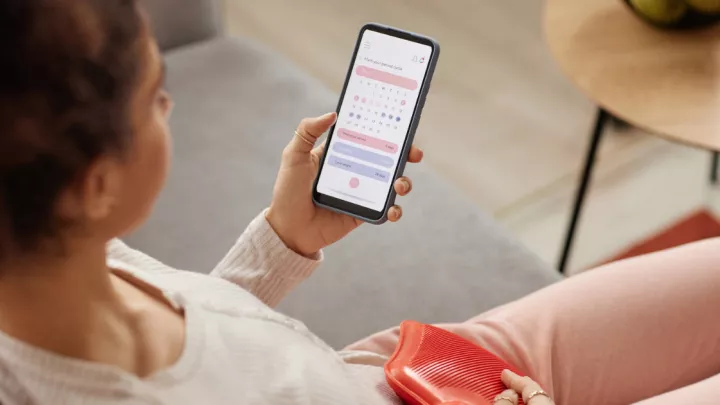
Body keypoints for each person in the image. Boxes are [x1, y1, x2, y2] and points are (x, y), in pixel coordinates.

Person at [2, 1, 719, 405]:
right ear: (94, 185)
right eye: (153, 98)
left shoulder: (71, 255)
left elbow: (208, 355)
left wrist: (282, 241)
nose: (170, 103)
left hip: (397, 371)